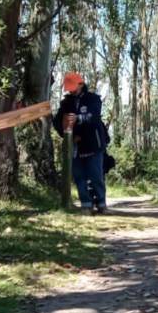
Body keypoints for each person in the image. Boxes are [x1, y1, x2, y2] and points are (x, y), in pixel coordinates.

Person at [52, 72, 109, 214]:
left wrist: (78, 118)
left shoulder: (93, 99)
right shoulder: (66, 103)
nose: (71, 90)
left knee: (96, 175)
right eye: (68, 88)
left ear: (81, 84)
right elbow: (58, 122)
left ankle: (102, 204)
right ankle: (86, 205)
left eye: (73, 87)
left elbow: (94, 117)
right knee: (79, 176)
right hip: (75, 146)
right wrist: (68, 137)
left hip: (93, 144)